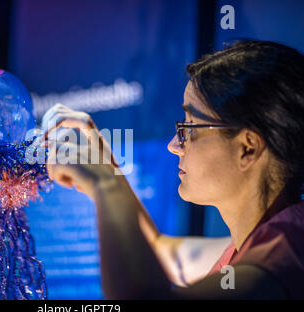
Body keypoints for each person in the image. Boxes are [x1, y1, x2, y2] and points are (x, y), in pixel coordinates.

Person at [39, 41, 304, 299]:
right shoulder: (255, 244)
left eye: (190, 127)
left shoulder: (289, 248)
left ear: (247, 148)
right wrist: (108, 168)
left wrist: (105, 184)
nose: (174, 145)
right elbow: (161, 252)